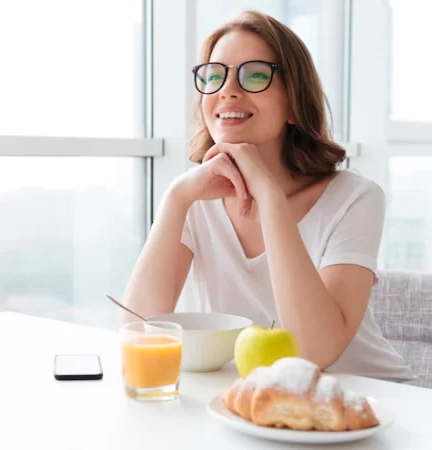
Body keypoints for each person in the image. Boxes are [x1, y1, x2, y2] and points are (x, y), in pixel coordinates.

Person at [122, 10, 417, 384]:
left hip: (374, 404)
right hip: (264, 410)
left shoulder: (355, 198)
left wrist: (270, 197)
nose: (227, 89)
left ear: (294, 102)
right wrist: (176, 197)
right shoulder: (194, 200)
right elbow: (138, 333)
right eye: (214, 76)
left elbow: (315, 352)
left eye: (255, 74)